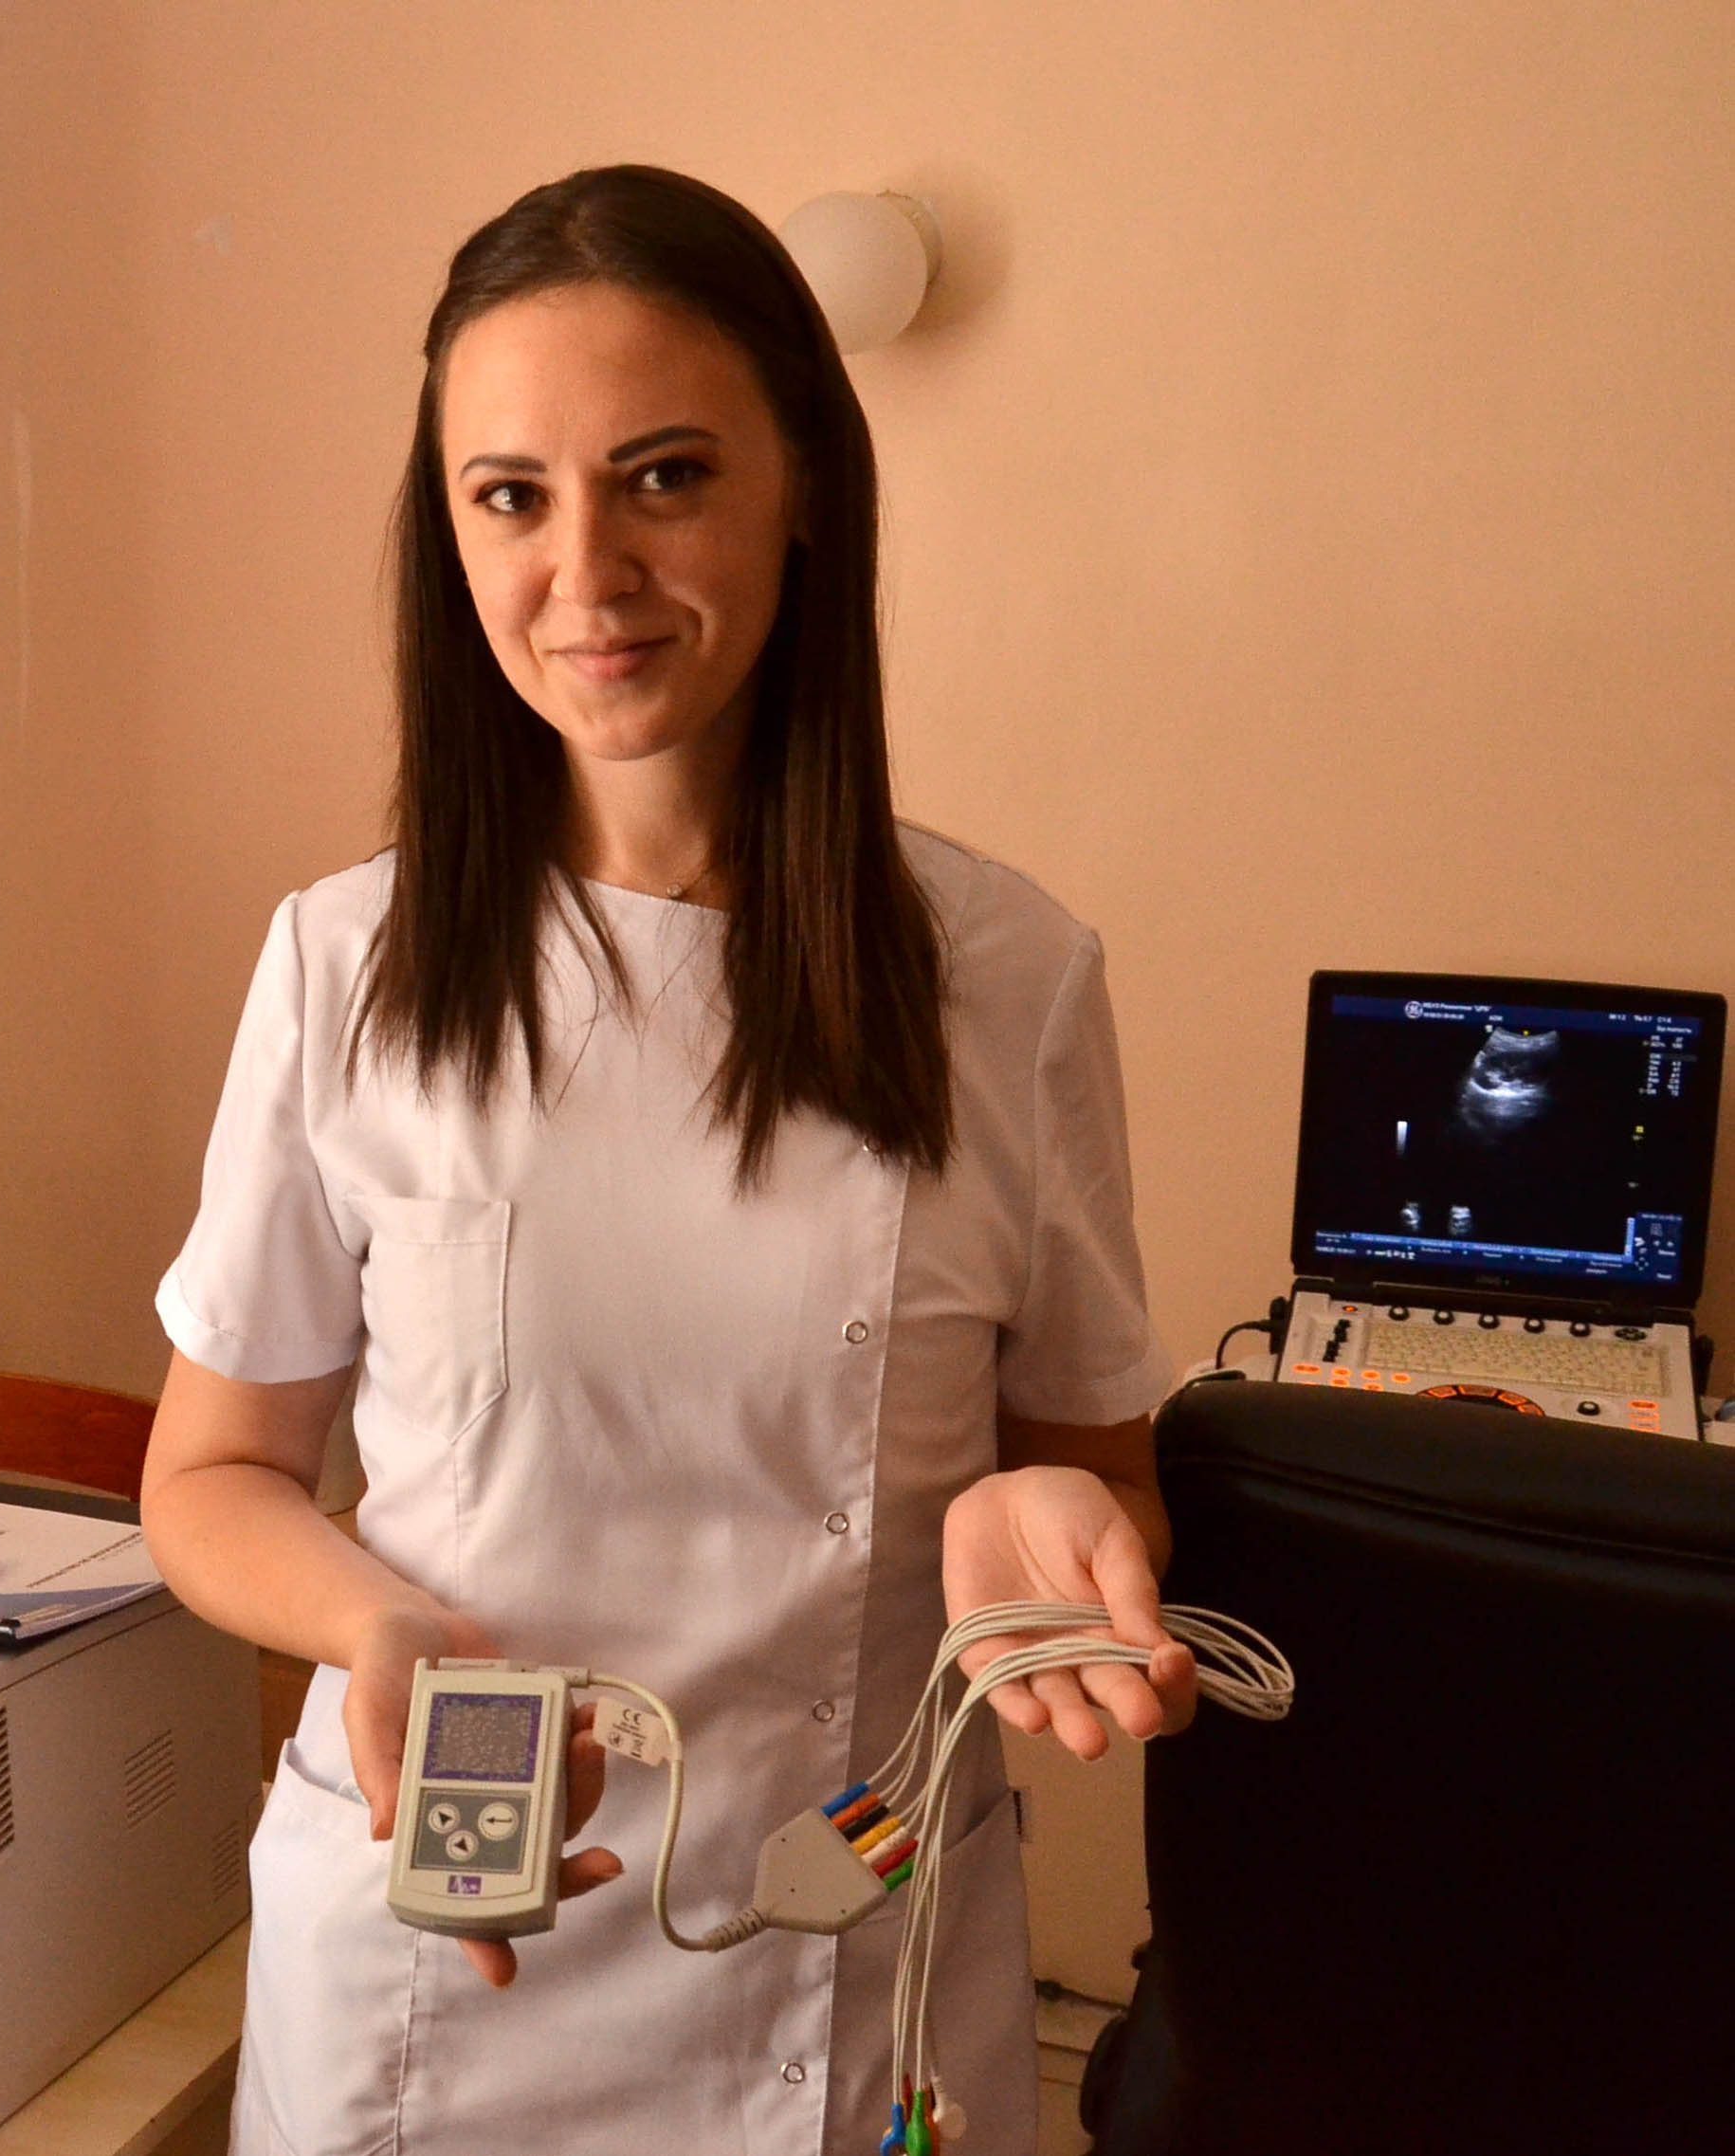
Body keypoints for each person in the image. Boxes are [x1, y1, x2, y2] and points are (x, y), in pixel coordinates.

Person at [138, 164, 1196, 2156]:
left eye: (666, 476)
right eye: (509, 496)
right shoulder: (348, 964)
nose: (586, 572)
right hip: (434, 1959)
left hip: (843, 1962)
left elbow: (1099, 1468)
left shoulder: (1006, 980)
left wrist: (1040, 1523)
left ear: (806, 489)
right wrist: (379, 1625)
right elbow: (209, 1476)